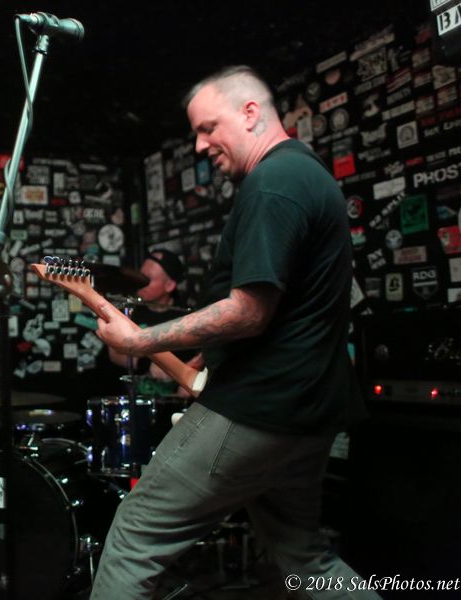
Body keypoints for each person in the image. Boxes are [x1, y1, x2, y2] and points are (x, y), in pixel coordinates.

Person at [91, 66, 375, 599]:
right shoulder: (306, 173)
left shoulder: (274, 181)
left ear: (250, 113)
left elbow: (249, 311)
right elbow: (291, 309)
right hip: (310, 411)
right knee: (305, 556)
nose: (199, 146)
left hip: (259, 407)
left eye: (207, 128)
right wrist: (212, 354)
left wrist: (140, 341)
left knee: (135, 535)